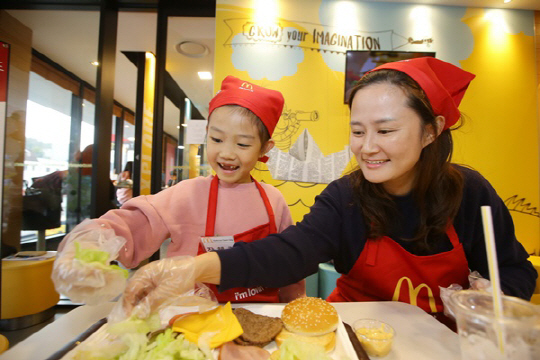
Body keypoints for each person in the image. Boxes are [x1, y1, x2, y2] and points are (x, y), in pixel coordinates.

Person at [121, 58, 537, 321]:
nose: (367, 147)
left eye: (386, 130)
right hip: (349, 336)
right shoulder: (346, 197)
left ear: (431, 131)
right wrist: (192, 269)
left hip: (446, 344)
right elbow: (287, 253)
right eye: (357, 131)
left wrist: (492, 297)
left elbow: (517, 272)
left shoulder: (470, 194)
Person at [51, 76, 305, 305]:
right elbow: (132, 224)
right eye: (216, 139)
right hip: (191, 321)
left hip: (263, 321)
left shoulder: (274, 200)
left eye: (242, 143)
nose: (226, 153)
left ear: (264, 148)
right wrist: (89, 244)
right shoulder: (187, 194)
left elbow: (287, 264)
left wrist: (295, 306)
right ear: (206, 134)